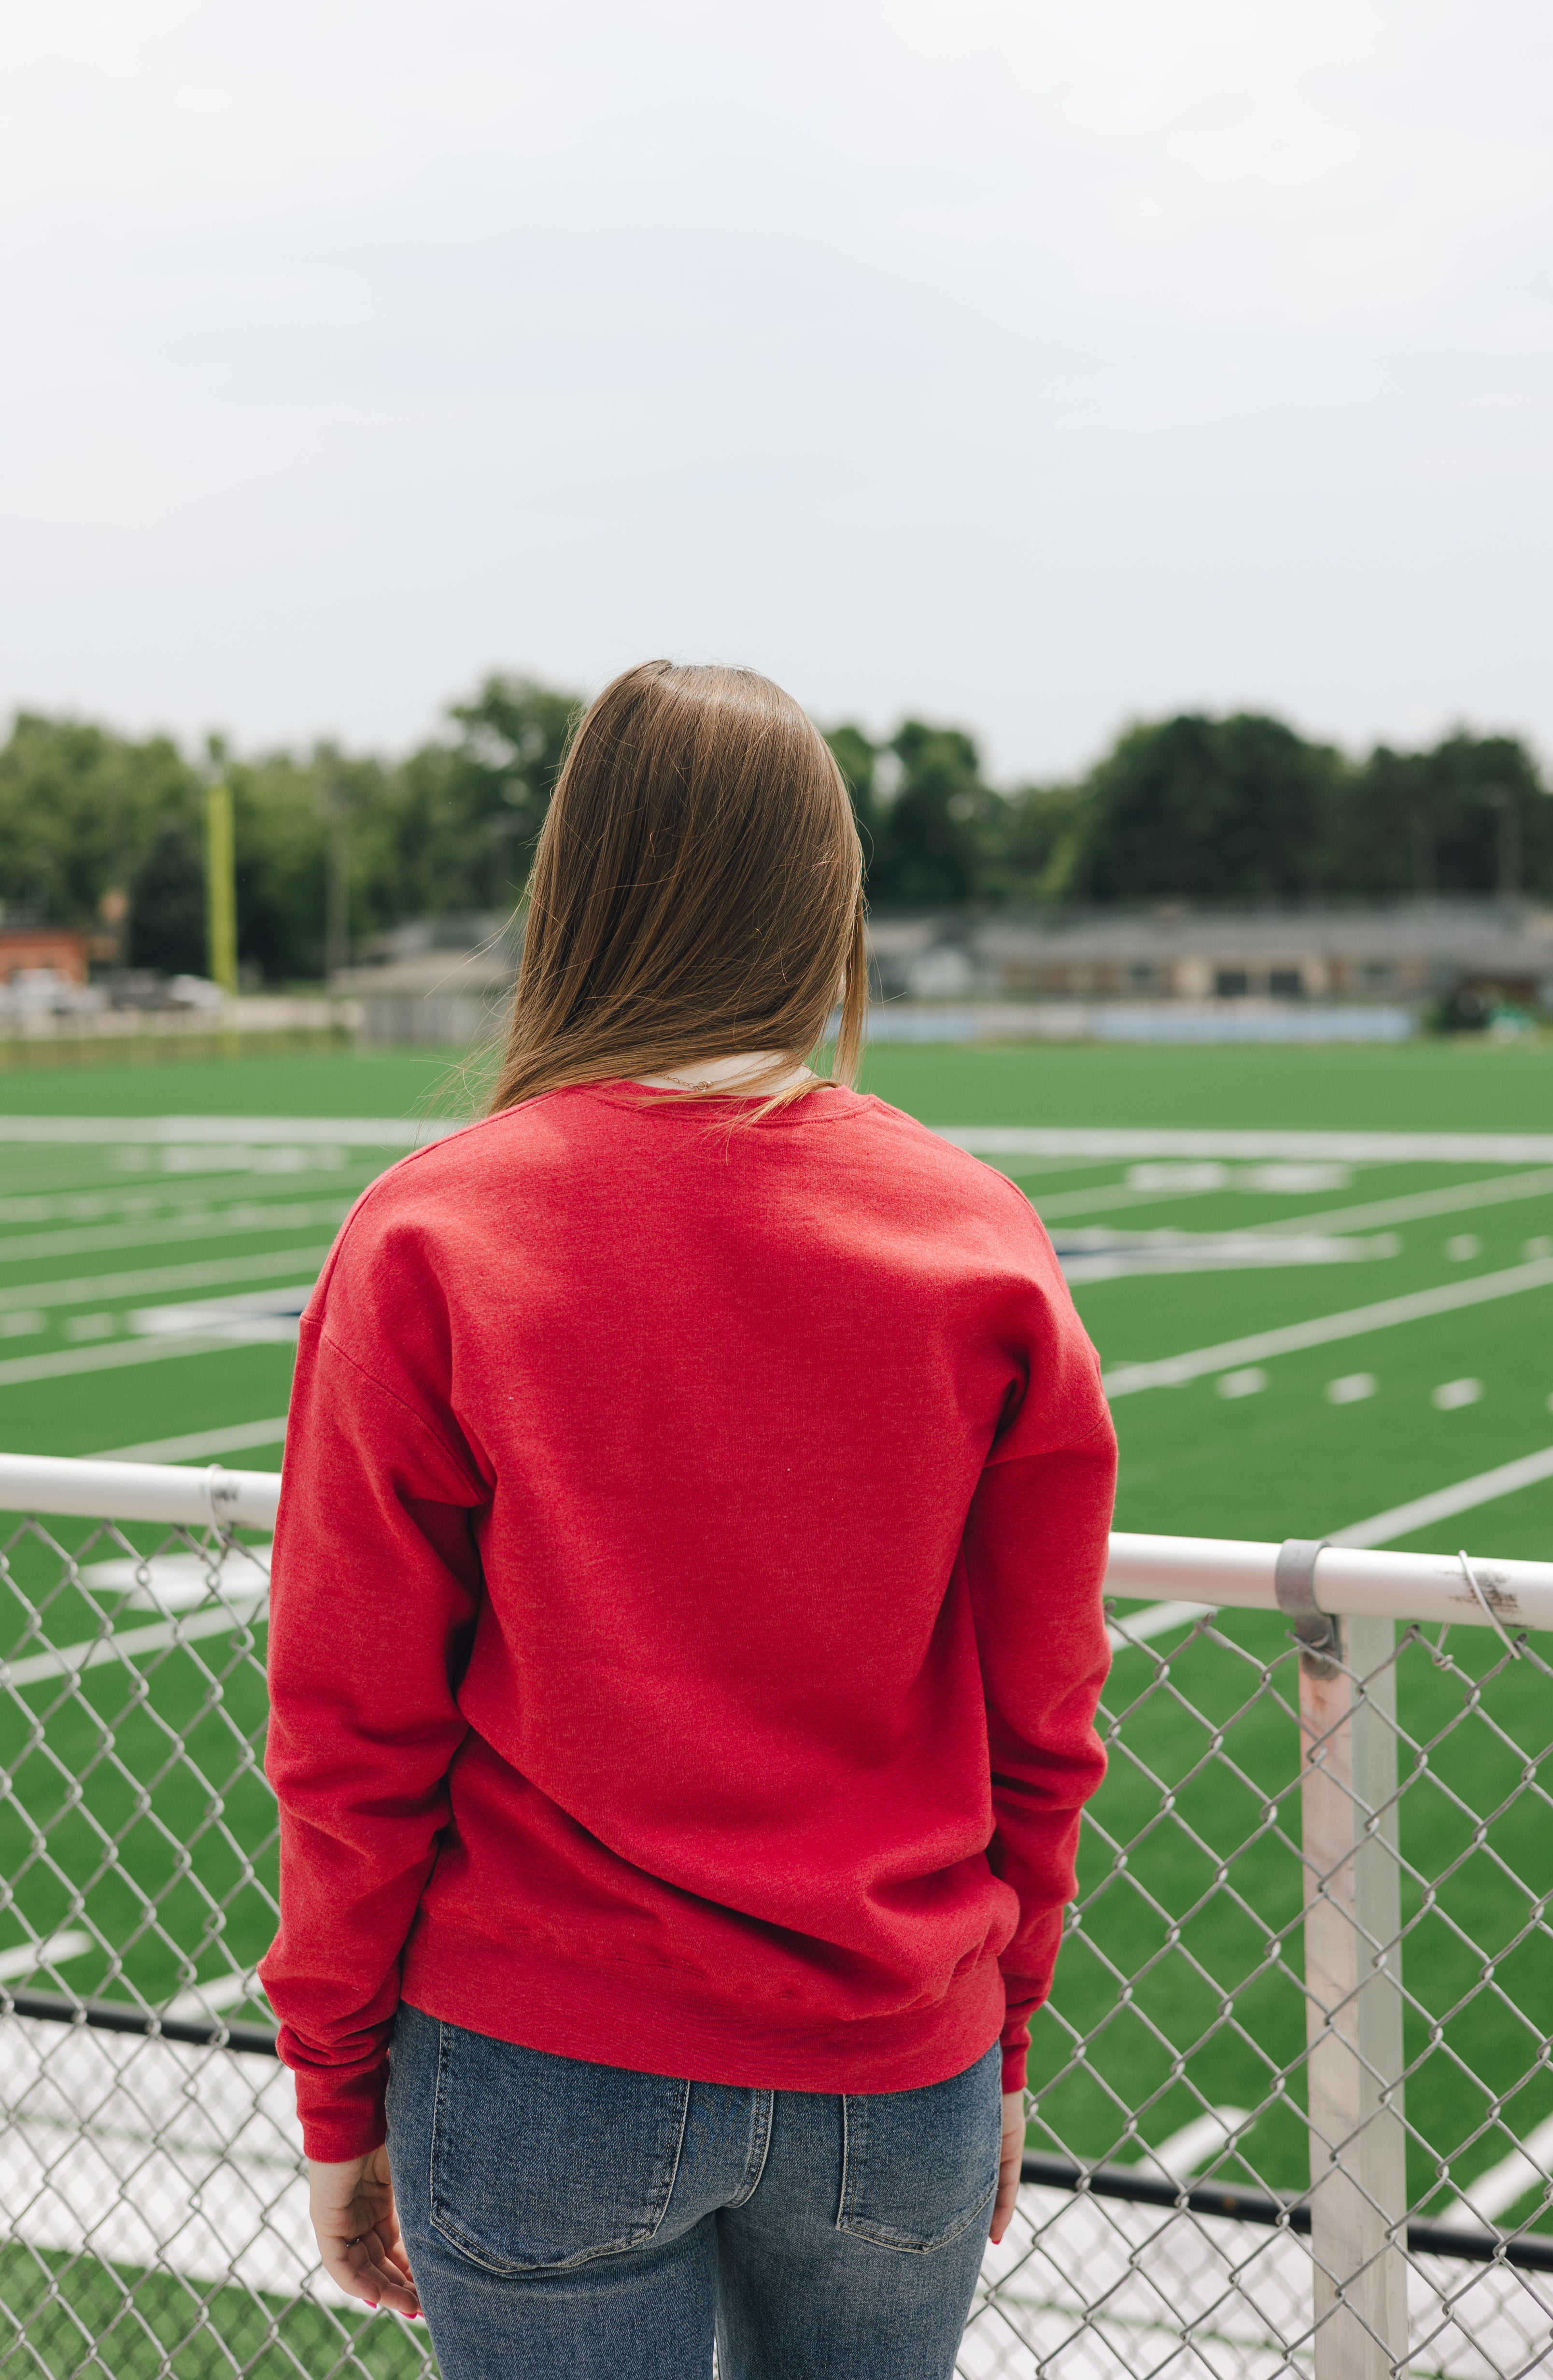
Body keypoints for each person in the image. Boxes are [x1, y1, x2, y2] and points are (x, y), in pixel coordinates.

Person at [260, 659, 1116, 2380]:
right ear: (830, 908)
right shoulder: (976, 1235)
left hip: (534, 2056)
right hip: (897, 2063)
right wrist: (1002, 2041)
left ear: (571, 898)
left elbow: (349, 1726)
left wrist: (339, 2089)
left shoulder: (434, 1234)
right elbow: (1046, 1714)